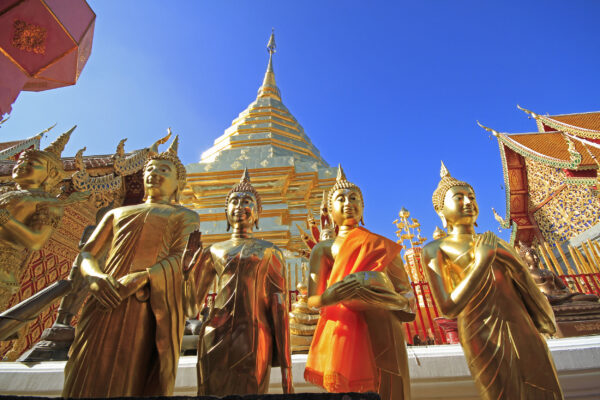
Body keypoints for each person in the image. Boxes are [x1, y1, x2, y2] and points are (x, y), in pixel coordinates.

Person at [62, 136, 201, 397]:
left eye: (164, 170)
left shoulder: (186, 216)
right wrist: (94, 277)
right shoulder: (117, 213)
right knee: (86, 369)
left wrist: (141, 278)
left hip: (146, 303)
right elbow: (87, 254)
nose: (154, 174)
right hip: (104, 295)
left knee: (129, 375)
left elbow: (181, 257)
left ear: (178, 183)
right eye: (150, 169)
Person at [422, 162, 563, 400]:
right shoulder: (435, 249)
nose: (468, 203)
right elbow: (448, 307)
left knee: (545, 390)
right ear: (440, 210)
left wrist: (515, 264)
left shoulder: (495, 242)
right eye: (459, 198)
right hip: (482, 331)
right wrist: (482, 263)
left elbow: (526, 287)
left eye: (472, 197)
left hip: (523, 326)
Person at [304, 165, 415, 400]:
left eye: (354, 198)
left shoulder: (381, 246)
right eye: (341, 199)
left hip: (385, 326)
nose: (348, 203)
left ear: (363, 208)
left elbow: (407, 297)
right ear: (330, 211)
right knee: (348, 394)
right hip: (343, 326)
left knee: (391, 391)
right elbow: (312, 300)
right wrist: (329, 297)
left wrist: (385, 297)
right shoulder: (324, 249)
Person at [192, 169, 293, 395]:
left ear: (257, 213)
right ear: (225, 211)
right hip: (214, 334)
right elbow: (191, 305)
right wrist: (186, 272)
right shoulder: (213, 250)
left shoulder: (270, 252)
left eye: (247, 201)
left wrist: (287, 371)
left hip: (254, 335)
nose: (239, 207)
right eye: (234, 202)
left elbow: (279, 305)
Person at [0, 127, 88, 311]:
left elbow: (36, 240)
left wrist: (6, 219)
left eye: (32, 163)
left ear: (52, 174)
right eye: (21, 161)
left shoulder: (47, 203)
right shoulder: (6, 191)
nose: (21, 165)